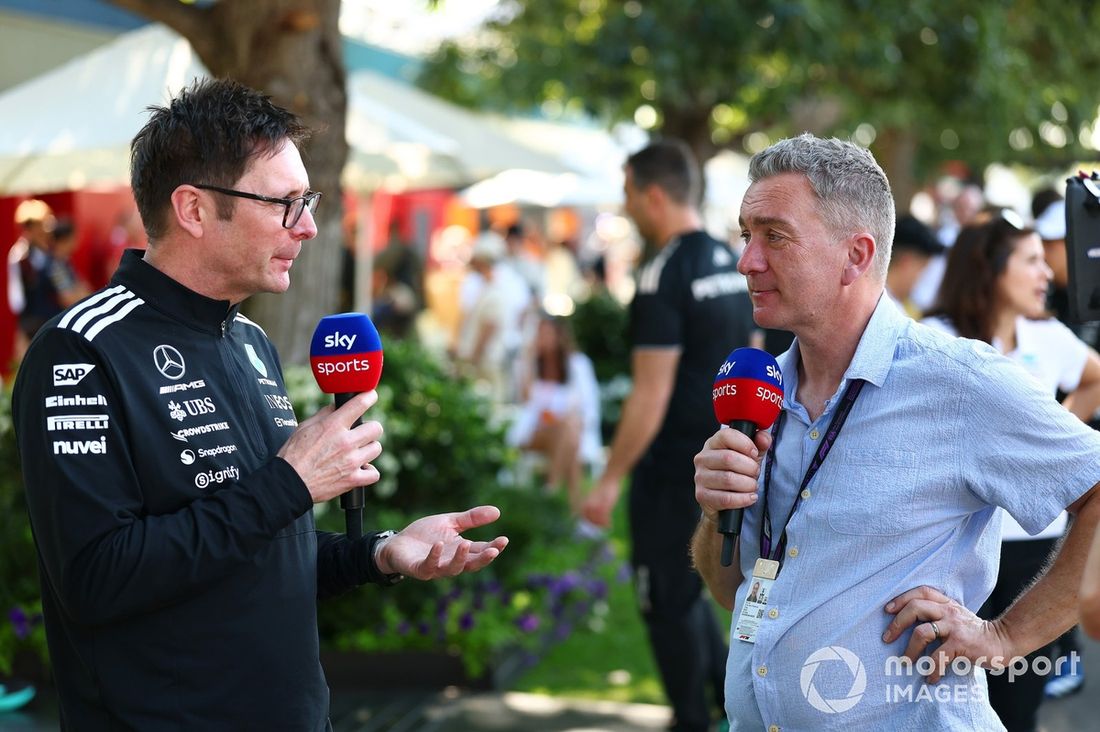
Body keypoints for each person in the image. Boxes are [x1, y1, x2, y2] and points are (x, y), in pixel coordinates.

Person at [11, 78, 508, 731]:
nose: (309, 226)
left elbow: (258, 549)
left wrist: (380, 553)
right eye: (284, 203)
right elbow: (98, 579)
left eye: (308, 201)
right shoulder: (81, 351)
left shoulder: (248, 341)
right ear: (193, 209)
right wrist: (290, 482)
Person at [690, 134, 1100, 731]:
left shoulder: (959, 381)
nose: (747, 260)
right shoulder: (762, 391)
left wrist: (1006, 638)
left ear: (856, 255)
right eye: (746, 234)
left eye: (774, 236)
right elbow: (733, 591)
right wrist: (715, 512)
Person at [581, 139, 756, 732]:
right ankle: (728, 707)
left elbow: (649, 394)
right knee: (694, 589)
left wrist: (609, 479)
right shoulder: (731, 261)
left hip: (674, 469)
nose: (626, 206)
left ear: (653, 195)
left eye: (628, 193)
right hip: (727, 457)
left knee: (663, 597)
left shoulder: (662, 275)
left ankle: (691, 717)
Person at [922, 214, 1100, 730]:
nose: (1046, 273)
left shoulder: (1047, 335)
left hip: (1034, 548)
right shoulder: (935, 341)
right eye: (1031, 260)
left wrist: (1046, 454)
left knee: (1019, 703)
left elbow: (1095, 376)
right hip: (955, 552)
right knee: (941, 700)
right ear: (991, 268)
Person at [506, 314, 601, 512]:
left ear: (559, 336)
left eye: (547, 334)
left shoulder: (577, 365)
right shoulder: (527, 363)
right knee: (568, 433)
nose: (543, 339)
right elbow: (525, 400)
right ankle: (568, 505)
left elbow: (588, 408)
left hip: (569, 431)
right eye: (539, 334)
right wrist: (528, 359)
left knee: (568, 432)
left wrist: (564, 420)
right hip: (534, 433)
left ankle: (552, 490)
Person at [885, 215, 944, 318]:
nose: (925, 276)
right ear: (906, 262)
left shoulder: (905, 308)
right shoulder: (886, 311)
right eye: (923, 267)